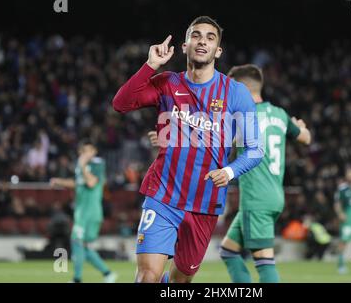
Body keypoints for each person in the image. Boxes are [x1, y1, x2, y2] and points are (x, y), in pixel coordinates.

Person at [112, 16, 264, 283]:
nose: (202, 41)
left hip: (204, 203)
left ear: (218, 50)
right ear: (185, 46)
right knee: (148, 275)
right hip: (163, 195)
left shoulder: (235, 93)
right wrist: (150, 66)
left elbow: (254, 149)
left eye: (209, 37)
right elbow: (121, 103)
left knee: (180, 282)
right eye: (196, 35)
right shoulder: (167, 83)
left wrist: (229, 171)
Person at [219, 64, 311, 283]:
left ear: (239, 87)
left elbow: (219, 143)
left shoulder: (243, 116)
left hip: (256, 199)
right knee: (228, 252)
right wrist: (300, 126)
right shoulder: (279, 114)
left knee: (264, 263)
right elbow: (306, 138)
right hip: (274, 195)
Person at [50, 140, 117, 283]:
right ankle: (108, 274)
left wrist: (82, 165)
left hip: (89, 212)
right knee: (83, 247)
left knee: (76, 242)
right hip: (83, 212)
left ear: (93, 151)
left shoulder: (97, 164)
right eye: (82, 151)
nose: (84, 154)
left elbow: (91, 182)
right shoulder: (81, 167)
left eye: (87, 151)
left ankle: (77, 279)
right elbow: (77, 183)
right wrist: (60, 182)